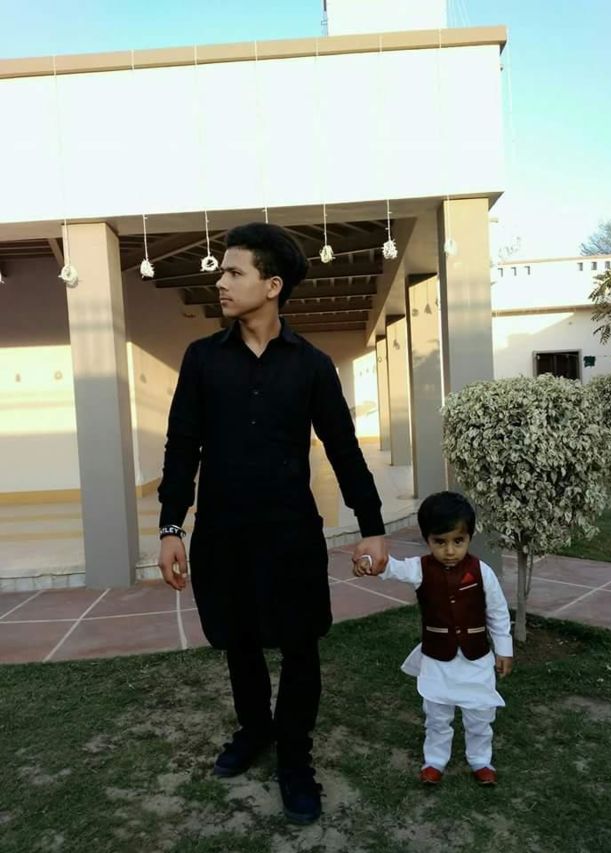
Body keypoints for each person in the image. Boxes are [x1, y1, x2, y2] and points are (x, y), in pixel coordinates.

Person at [157, 222, 387, 824]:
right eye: (222, 271)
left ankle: (294, 756)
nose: (221, 282)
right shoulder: (203, 359)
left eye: (234, 272)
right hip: (222, 534)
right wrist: (170, 527)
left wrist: (371, 525)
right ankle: (255, 729)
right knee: (239, 643)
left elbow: (343, 448)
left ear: (272, 285)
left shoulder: (311, 365)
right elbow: (182, 446)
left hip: (291, 534)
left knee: (300, 645)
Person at [353, 491, 512, 785]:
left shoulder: (482, 572)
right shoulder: (420, 569)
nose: (450, 551)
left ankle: (481, 760)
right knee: (437, 716)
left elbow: (498, 612)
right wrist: (368, 560)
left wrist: (504, 649)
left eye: (458, 541)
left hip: (476, 660)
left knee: (480, 715)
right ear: (427, 540)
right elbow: (392, 567)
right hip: (437, 660)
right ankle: (435, 761)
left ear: (469, 537)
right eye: (440, 542)